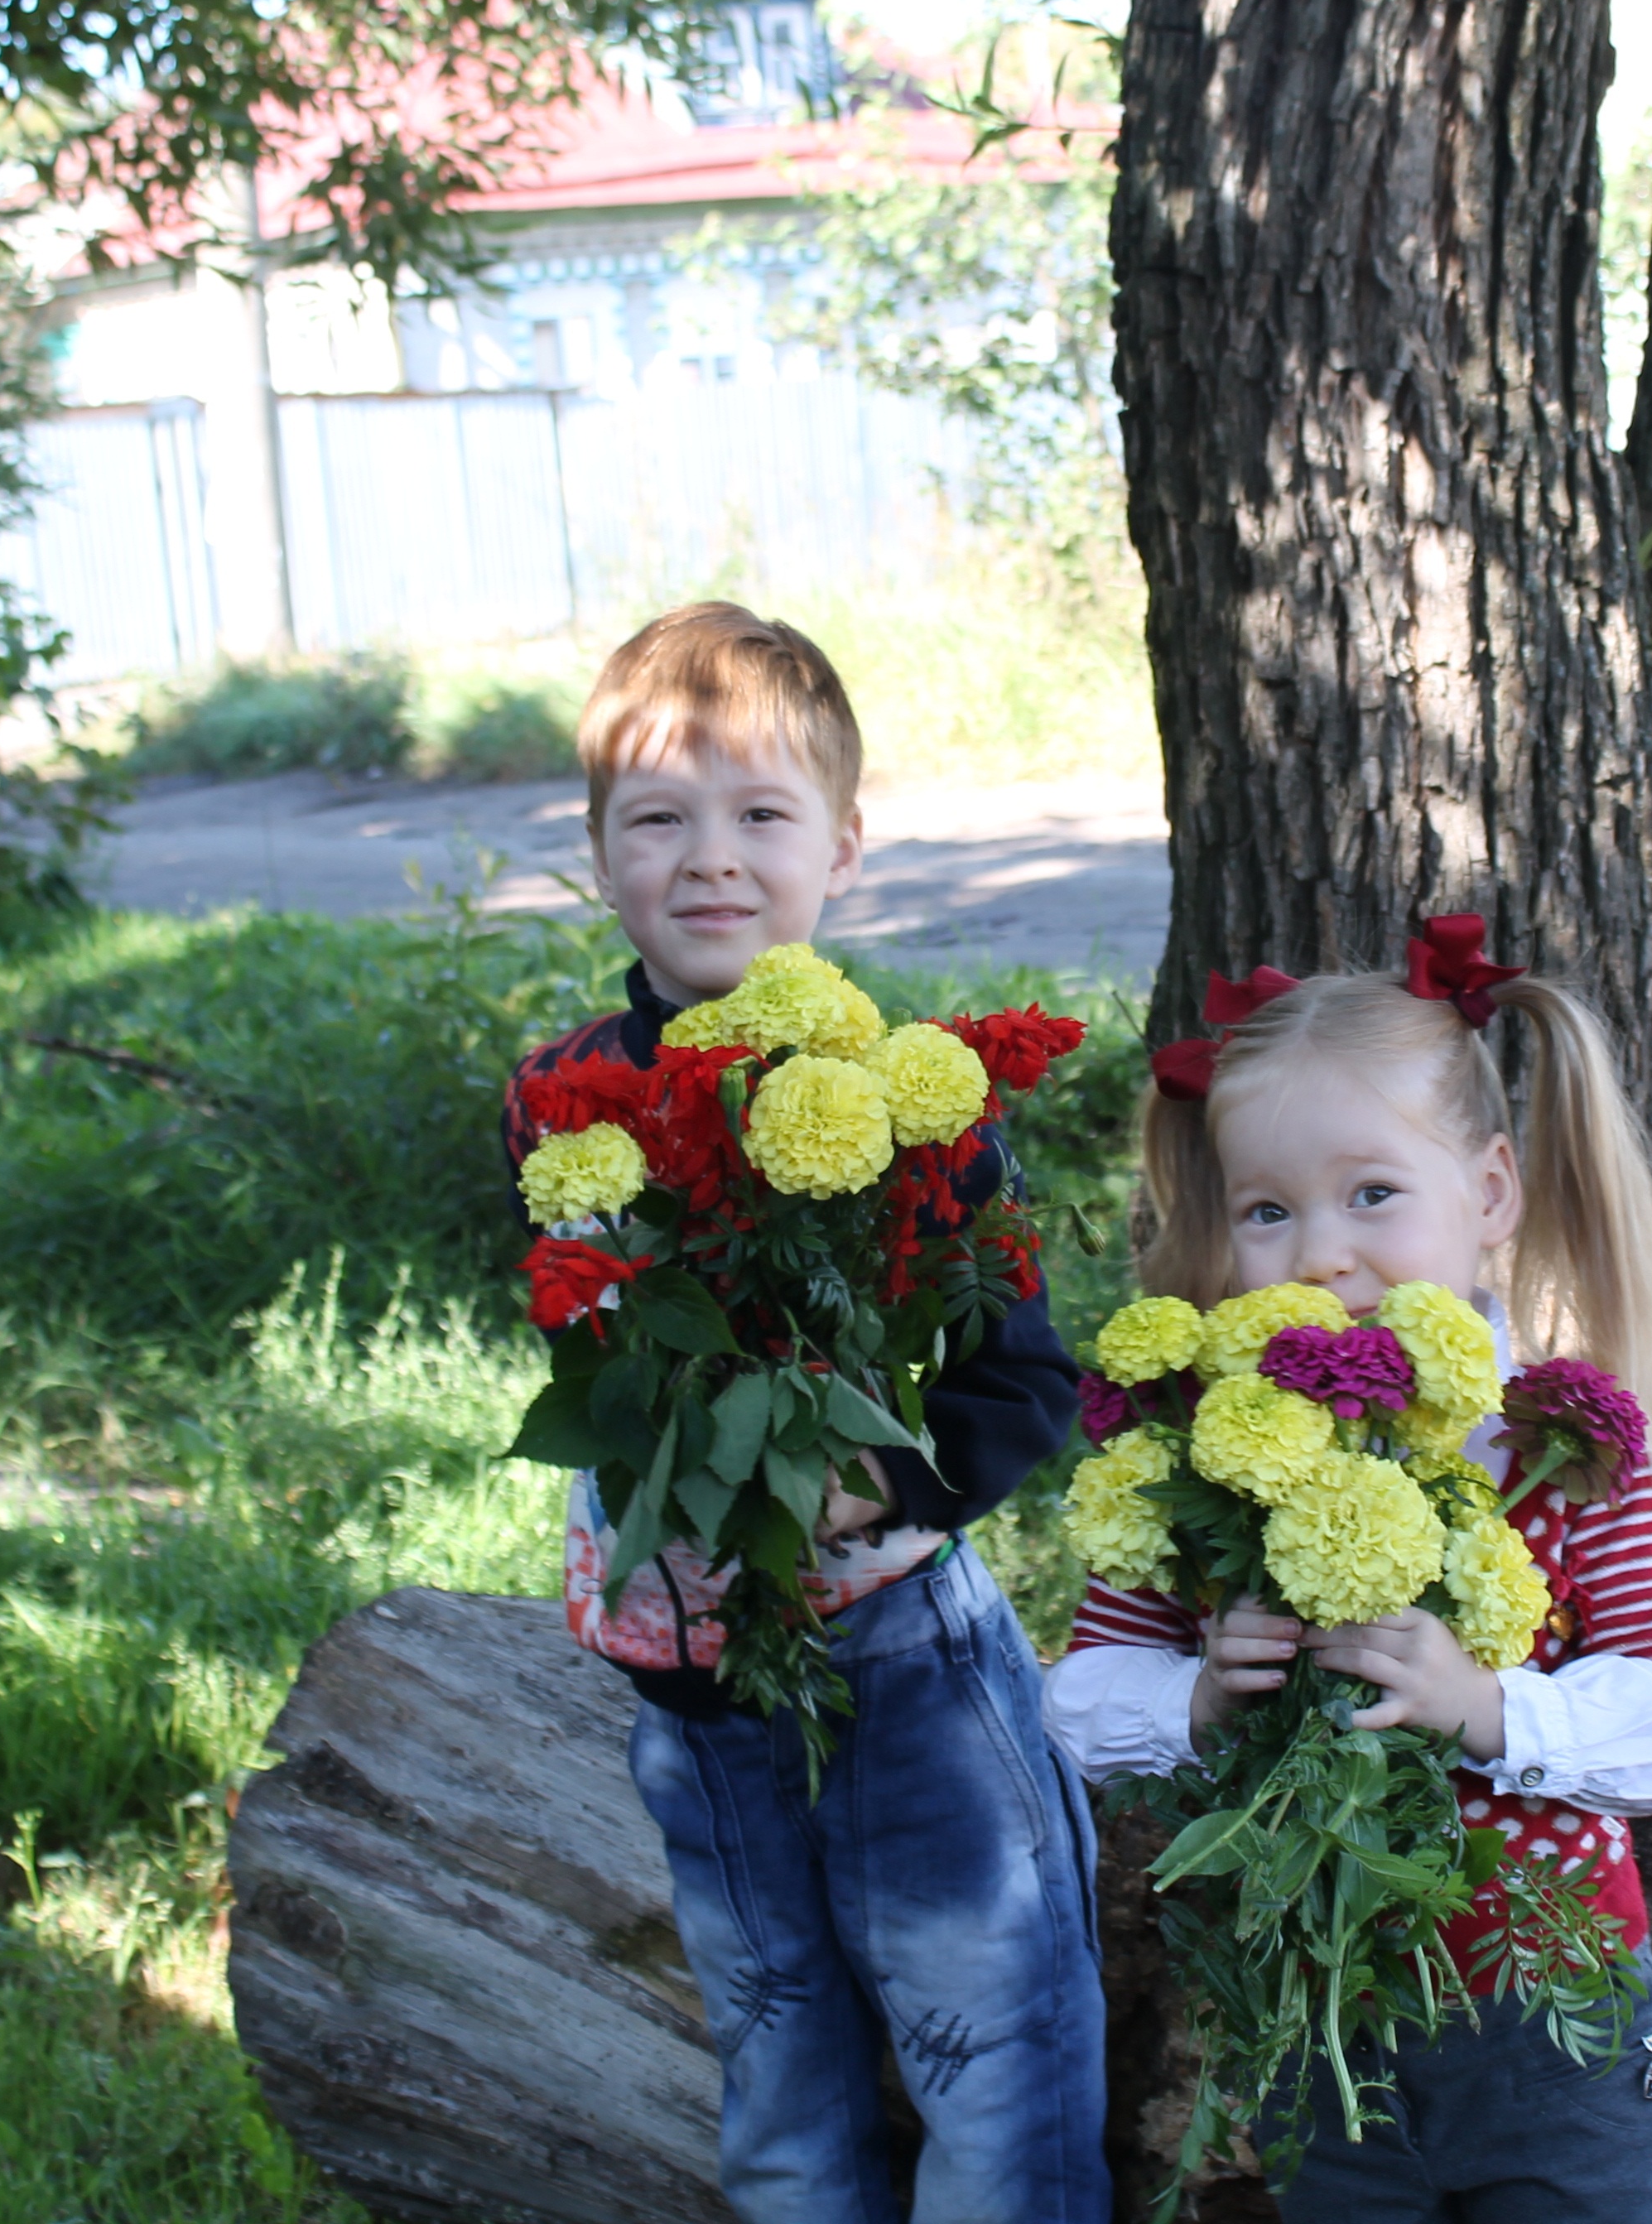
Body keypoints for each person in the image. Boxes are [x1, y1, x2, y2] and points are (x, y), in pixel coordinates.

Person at [503, 600, 1104, 2224]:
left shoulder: (913, 1103)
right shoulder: (559, 1097)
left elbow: (1026, 1380)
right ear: (600, 854)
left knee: (993, 2036)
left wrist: (876, 1481)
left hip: (899, 1662)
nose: (712, 858)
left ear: (842, 845)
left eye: (762, 814)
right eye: (658, 819)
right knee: (778, 2058)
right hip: (690, 1675)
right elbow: (594, 1338)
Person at [1042, 927, 1652, 2222]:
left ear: (1490, 1192)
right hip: (1319, 2025)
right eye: (1268, 1211)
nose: (1321, 1253)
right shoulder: (1212, 1461)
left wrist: (1487, 1707)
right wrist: (1195, 1698)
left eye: (1372, 1193)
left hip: (1553, 2020)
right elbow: (1078, 1703)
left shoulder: (1563, 1448)